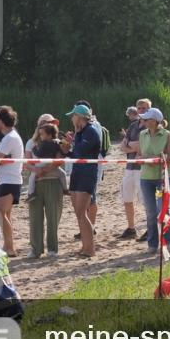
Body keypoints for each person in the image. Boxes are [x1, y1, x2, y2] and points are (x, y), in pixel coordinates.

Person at [137, 107, 170, 255]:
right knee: (150, 212)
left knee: (163, 210)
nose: (144, 121)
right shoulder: (142, 134)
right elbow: (138, 156)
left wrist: (160, 160)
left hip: (162, 177)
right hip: (146, 177)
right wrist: (142, 160)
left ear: (154, 121)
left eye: (147, 119)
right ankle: (152, 244)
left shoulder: (165, 134)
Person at [63, 104, 102, 257]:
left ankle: (90, 249)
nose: (72, 118)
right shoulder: (80, 132)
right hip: (77, 172)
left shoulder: (90, 131)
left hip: (87, 174)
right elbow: (76, 155)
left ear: (79, 117)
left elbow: (81, 151)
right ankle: (85, 246)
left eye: (73, 116)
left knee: (82, 213)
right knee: (78, 213)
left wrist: (71, 146)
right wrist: (66, 151)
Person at [26, 124, 65, 259]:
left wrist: (48, 169)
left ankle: (53, 249)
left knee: (53, 217)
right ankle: (36, 249)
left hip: (53, 181)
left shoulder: (56, 142)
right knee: (35, 218)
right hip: (37, 182)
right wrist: (38, 171)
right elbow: (27, 163)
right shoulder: (31, 143)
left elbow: (60, 159)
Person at [0, 107, 23, 257]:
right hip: (9, 180)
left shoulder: (9, 137)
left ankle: (10, 247)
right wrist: (1, 161)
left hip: (10, 181)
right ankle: (7, 246)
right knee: (6, 215)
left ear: (2, 122)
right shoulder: (11, 136)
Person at [118, 105, 142, 240]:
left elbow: (142, 146)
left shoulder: (149, 126)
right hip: (130, 166)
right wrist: (133, 146)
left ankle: (150, 228)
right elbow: (122, 146)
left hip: (142, 167)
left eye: (144, 108)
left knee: (145, 200)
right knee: (127, 197)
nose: (141, 111)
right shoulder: (133, 126)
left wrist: (130, 145)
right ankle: (131, 227)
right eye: (140, 108)